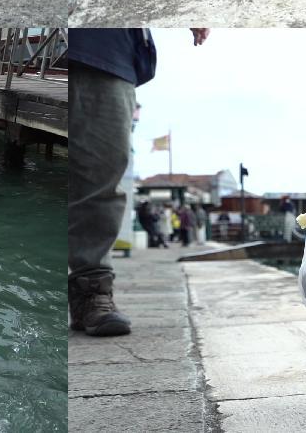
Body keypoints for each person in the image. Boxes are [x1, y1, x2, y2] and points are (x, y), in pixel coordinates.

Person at [67, 29, 209, 337]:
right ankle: (88, 287)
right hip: (90, 48)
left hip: (108, 51)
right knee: (94, 178)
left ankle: (92, 288)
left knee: (101, 174)